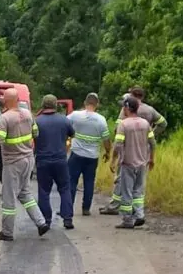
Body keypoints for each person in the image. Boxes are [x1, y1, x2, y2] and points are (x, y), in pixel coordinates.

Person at [0, 88, 49, 241]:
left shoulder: (5, 118)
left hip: (12, 162)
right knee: (25, 193)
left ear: (6, 101)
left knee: (8, 198)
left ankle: (7, 232)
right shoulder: (28, 114)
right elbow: (36, 134)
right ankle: (41, 223)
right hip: (28, 159)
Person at [101, 86, 167, 215]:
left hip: (126, 149)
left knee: (121, 178)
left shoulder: (126, 108)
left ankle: (116, 206)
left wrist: (114, 157)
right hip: (143, 149)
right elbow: (163, 123)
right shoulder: (150, 110)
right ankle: (137, 210)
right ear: (142, 96)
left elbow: (117, 129)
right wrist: (151, 134)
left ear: (131, 95)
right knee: (139, 182)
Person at [112, 96, 155, 229]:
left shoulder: (123, 124)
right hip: (142, 163)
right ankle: (140, 215)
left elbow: (118, 144)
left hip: (128, 163)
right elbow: (152, 143)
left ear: (126, 108)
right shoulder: (145, 124)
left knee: (127, 191)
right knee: (138, 191)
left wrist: (116, 159)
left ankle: (127, 219)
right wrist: (152, 159)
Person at [35, 94, 75, 229]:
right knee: (64, 188)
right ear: (56, 105)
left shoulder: (37, 121)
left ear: (43, 105)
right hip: (60, 160)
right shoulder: (64, 120)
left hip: (42, 160)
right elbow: (72, 134)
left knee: (44, 191)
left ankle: (46, 220)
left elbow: (32, 139)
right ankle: (67, 218)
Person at [67, 92, 111, 216]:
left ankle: (68, 208)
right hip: (92, 157)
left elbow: (64, 124)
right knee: (89, 182)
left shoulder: (75, 115)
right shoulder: (101, 120)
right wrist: (108, 152)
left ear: (85, 103)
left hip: (76, 154)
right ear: (97, 105)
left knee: (72, 181)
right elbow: (106, 140)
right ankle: (86, 209)